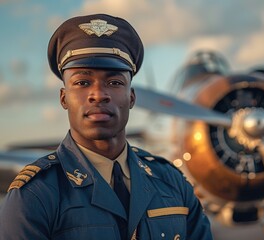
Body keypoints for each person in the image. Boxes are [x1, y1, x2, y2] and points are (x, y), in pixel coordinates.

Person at [0, 14, 213, 240]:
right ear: (63, 98)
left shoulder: (172, 182)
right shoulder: (35, 194)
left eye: (114, 83)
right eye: (82, 83)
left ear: (131, 97)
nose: (99, 95)